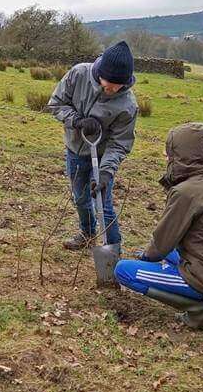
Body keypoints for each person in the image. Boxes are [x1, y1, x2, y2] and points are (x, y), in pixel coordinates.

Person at [114, 123, 203, 330]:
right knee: (169, 255)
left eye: (170, 152)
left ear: (181, 155)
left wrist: (145, 257)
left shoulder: (186, 192)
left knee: (124, 271)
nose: (166, 157)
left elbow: (161, 245)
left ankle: (198, 309)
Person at [48, 41, 138, 252]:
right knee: (80, 198)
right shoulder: (78, 74)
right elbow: (56, 104)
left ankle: (113, 251)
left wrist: (106, 173)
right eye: (110, 83)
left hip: (103, 156)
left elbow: (119, 143)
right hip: (75, 151)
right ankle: (87, 234)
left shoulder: (127, 105)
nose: (113, 89)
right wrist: (77, 121)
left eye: (119, 85)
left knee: (103, 204)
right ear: (100, 72)